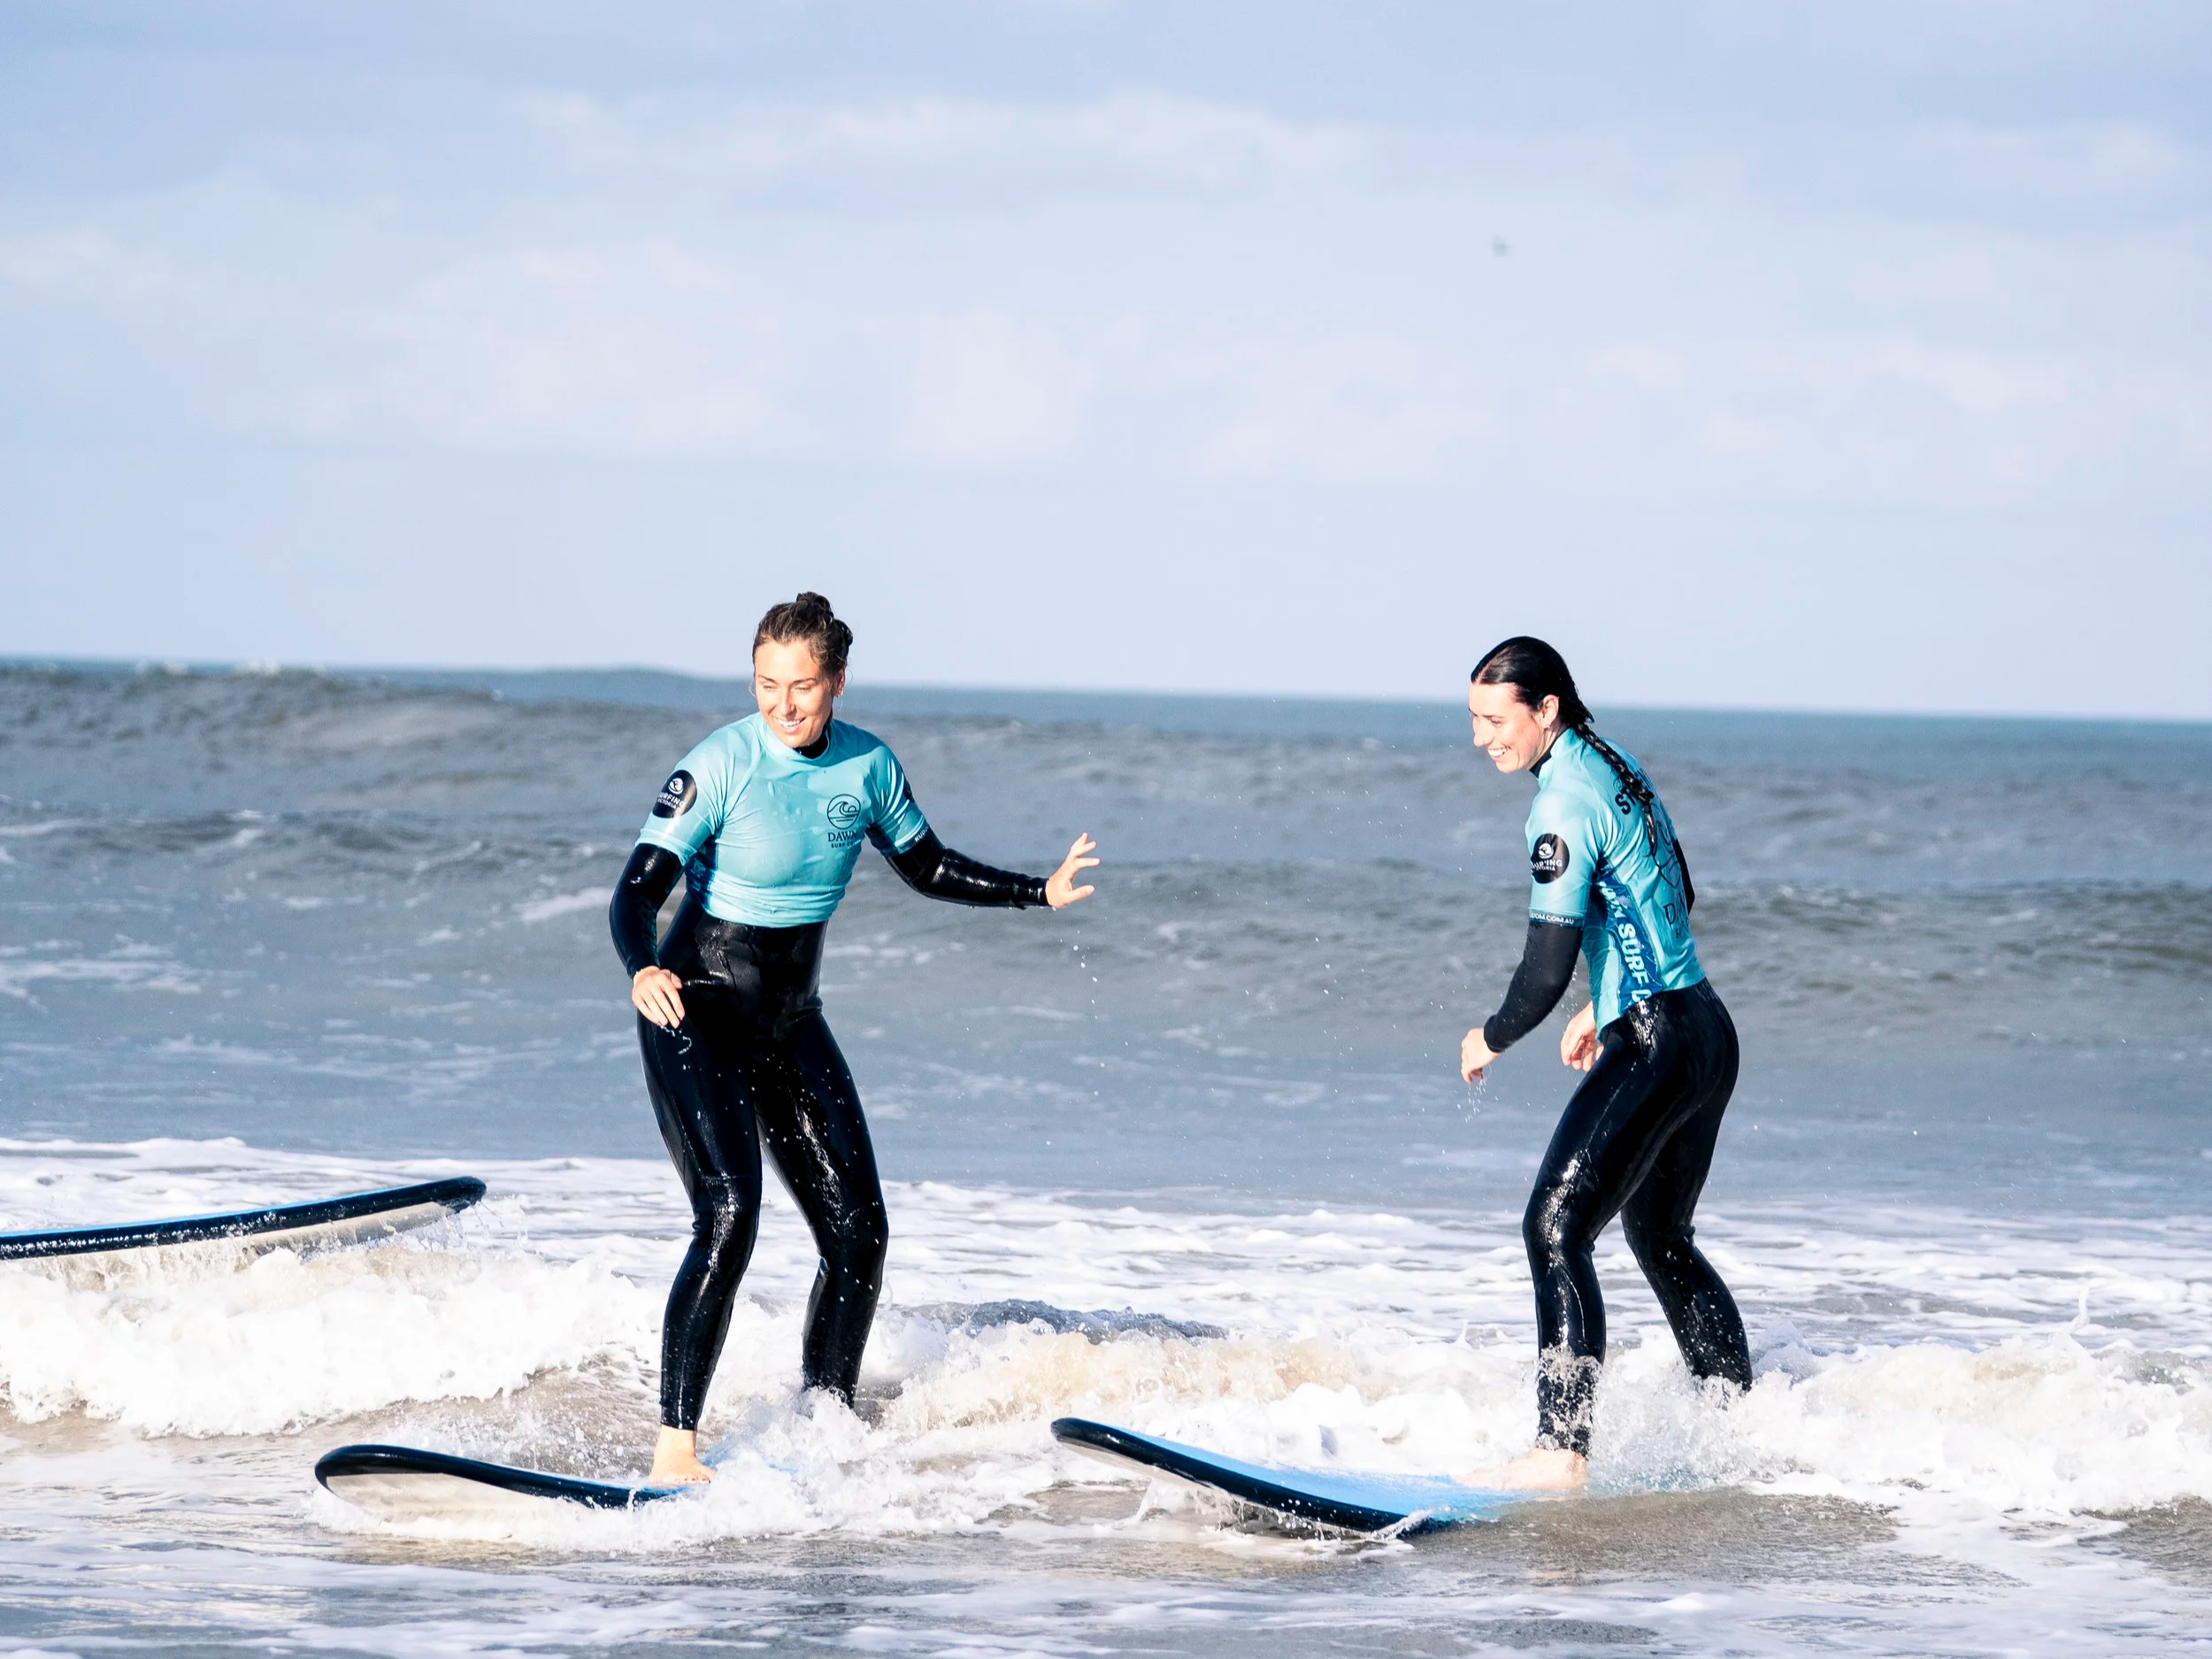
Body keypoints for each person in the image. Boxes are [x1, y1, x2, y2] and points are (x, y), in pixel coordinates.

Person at [609, 592, 1100, 1484]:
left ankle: (821, 1423)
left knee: (859, 1233)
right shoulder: (721, 763)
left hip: (791, 1020)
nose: (781, 704)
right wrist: (641, 968)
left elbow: (928, 866)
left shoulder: (868, 766)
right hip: (697, 1007)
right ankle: (676, 1448)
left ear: (835, 682)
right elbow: (637, 889)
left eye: (800, 687)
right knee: (728, 1216)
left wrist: (1041, 891)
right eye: (766, 685)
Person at [1456, 636, 1750, 1491]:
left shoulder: (1558, 805)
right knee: (1662, 1237)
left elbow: (1544, 964)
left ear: (1544, 709)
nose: (1480, 737)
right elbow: (1671, 890)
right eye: (1472, 719)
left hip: (1657, 1040)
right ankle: (1737, 1421)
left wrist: (1492, 1034)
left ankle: (1560, 1449)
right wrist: (1605, 1000)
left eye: (1492, 719)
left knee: (1554, 1227)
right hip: (1704, 1028)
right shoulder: (1615, 764)